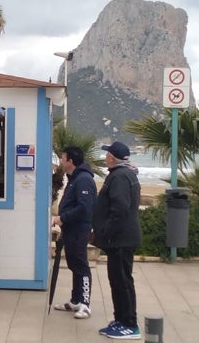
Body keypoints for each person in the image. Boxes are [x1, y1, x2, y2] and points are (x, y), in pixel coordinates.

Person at [92, 141, 142, 340]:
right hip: (119, 239)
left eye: (107, 154)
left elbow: (120, 210)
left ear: (112, 158)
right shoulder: (123, 174)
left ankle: (130, 324)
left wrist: (105, 232)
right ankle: (120, 320)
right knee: (118, 281)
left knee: (122, 282)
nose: (105, 157)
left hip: (120, 239)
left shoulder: (120, 177)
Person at [51, 146, 97, 319]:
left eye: (63, 158)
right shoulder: (74, 178)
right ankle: (75, 299)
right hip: (70, 229)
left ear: (71, 161)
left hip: (79, 230)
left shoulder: (84, 179)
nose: (61, 161)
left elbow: (84, 208)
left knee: (81, 266)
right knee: (73, 265)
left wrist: (62, 218)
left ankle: (85, 304)